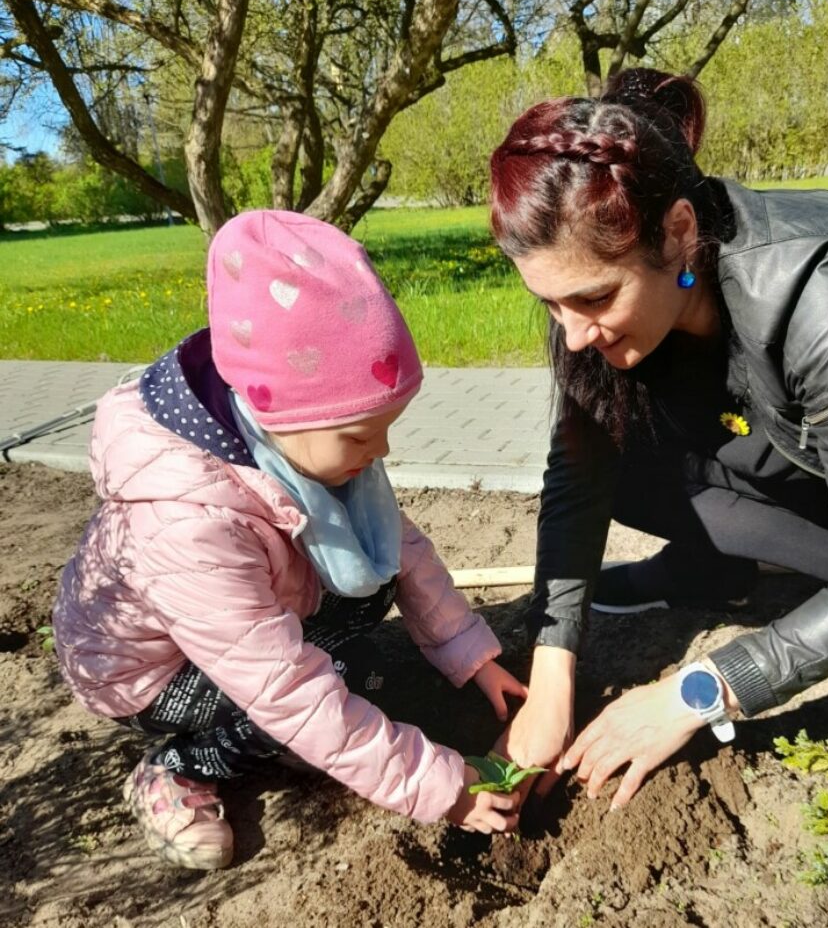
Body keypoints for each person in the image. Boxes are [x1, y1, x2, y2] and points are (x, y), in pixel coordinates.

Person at [488, 67, 828, 810]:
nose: (572, 334)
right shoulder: (597, 299)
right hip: (823, 464)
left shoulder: (824, 287)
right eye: (551, 304)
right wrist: (552, 673)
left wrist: (700, 691)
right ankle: (715, 571)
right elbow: (578, 478)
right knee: (620, 465)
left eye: (594, 298)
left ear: (678, 231)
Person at [53, 210, 526, 870]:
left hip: (239, 620)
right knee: (303, 701)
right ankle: (178, 765)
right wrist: (440, 787)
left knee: (372, 594)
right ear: (279, 416)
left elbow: (401, 549)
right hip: (147, 674)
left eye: (385, 429)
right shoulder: (188, 524)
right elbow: (284, 688)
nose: (382, 451)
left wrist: (471, 656)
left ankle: (323, 735)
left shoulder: (300, 447)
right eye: (361, 436)